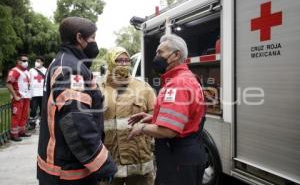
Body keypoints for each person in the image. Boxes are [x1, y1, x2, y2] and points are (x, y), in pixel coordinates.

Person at [37, 17, 117, 185]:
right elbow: (77, 123)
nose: (95, 42)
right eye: (93, 38)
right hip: (69, 171)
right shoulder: (72, 69)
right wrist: (102, 164)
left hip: (58, 165)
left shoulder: (61, 61)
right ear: (79, 38)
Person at [128, 34, 207, 185]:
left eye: (160, 52)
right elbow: (185, 115)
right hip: (187, 156)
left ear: (176, 55)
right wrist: (154, 117)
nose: (156, 56)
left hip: (178, 158)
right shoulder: (187, 77)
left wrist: (142, 127)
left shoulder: (177, 83)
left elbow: (169, 131)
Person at [99, 47, 156, 185]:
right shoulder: (98, 87)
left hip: (139, 159)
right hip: (110, 158)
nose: (123, 64)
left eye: (126, 60)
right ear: (110, 61)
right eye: (119, 60)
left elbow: (155, 116)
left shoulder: (143, 87)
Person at [6, 53, 31, 141]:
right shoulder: (15, 71)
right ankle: (14, 135)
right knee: (16, 116)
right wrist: (15, 96)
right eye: (24, 61)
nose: (26, 62)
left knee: (24, 116)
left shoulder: (26, 72)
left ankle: (21, 132)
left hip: (26, 97)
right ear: (18, 62)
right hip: (18, 97)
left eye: (27, 61)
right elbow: (8, 84)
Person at [28, 56, 47, 130]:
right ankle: (32, 124)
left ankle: (42, 123)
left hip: (42, 93)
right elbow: (28, 81)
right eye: (36, 61)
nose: (37, 62)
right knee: (33, 110)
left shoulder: (46, 70)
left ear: (42, 62)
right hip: (34, 94)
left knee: (43, 110)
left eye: (39, 61)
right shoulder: (31, 70)